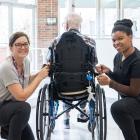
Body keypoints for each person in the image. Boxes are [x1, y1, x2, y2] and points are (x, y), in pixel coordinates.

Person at [47, 13, 98, 129]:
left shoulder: (55, 41)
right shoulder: (90, 41)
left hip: (61, 89)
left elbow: (49, 63)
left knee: (62, 78)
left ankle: (66, 116)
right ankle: (84, 109)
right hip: (83, 87)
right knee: (88, 78)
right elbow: (94, 62)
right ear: (79, 26)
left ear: (66, 26)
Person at [96, 19, 140, 140]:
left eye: (120, 39)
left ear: (130, 37)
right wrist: (109, 72)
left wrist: (109, 83)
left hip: (136, 100)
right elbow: (121, 80)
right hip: (131, 101)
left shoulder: (137, 60)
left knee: (117, 108)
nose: (116, 43)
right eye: (114, 40)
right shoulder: (118, 56)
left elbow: (134, 91)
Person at [0, 32, 49, 140]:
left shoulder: (26, 61)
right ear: (11, 48)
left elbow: (25, 80)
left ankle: (7, 132)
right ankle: (7, 132)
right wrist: (40, 77)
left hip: (12, 107)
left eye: (26, 44)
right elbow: (21, 96)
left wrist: (41, 72)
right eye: (18, 45)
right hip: (3, 106)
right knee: (23, 107)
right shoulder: (7, 67)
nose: (23, 47)